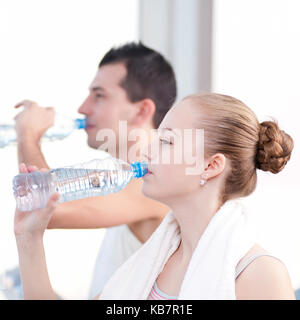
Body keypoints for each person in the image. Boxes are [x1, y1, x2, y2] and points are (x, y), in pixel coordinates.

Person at [14, 93, 295, 299]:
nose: (148, 151)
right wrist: (29, 239)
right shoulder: (150, 263)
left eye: (166, 141)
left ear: (210, 166)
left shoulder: (259, 276)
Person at [12, 42, 177, 298]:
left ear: (142, 110)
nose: (82, 108)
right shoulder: (121, 182)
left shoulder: (155, 185)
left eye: (99, 95)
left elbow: (47, 210)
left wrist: (28, 136)